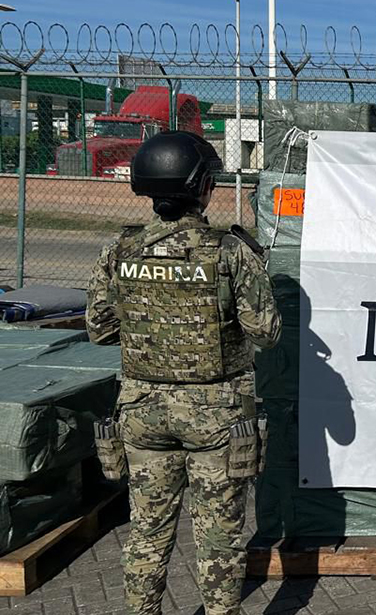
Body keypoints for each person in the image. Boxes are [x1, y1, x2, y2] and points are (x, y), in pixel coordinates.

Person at [86, 130, 281, 615]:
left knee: (147, 532)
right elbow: (267, 331)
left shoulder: (121, 249)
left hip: (142, 413)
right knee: (219, 538)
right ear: (203, 187)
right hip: (216, 418)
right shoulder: (230, 252)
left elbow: (99, 329)